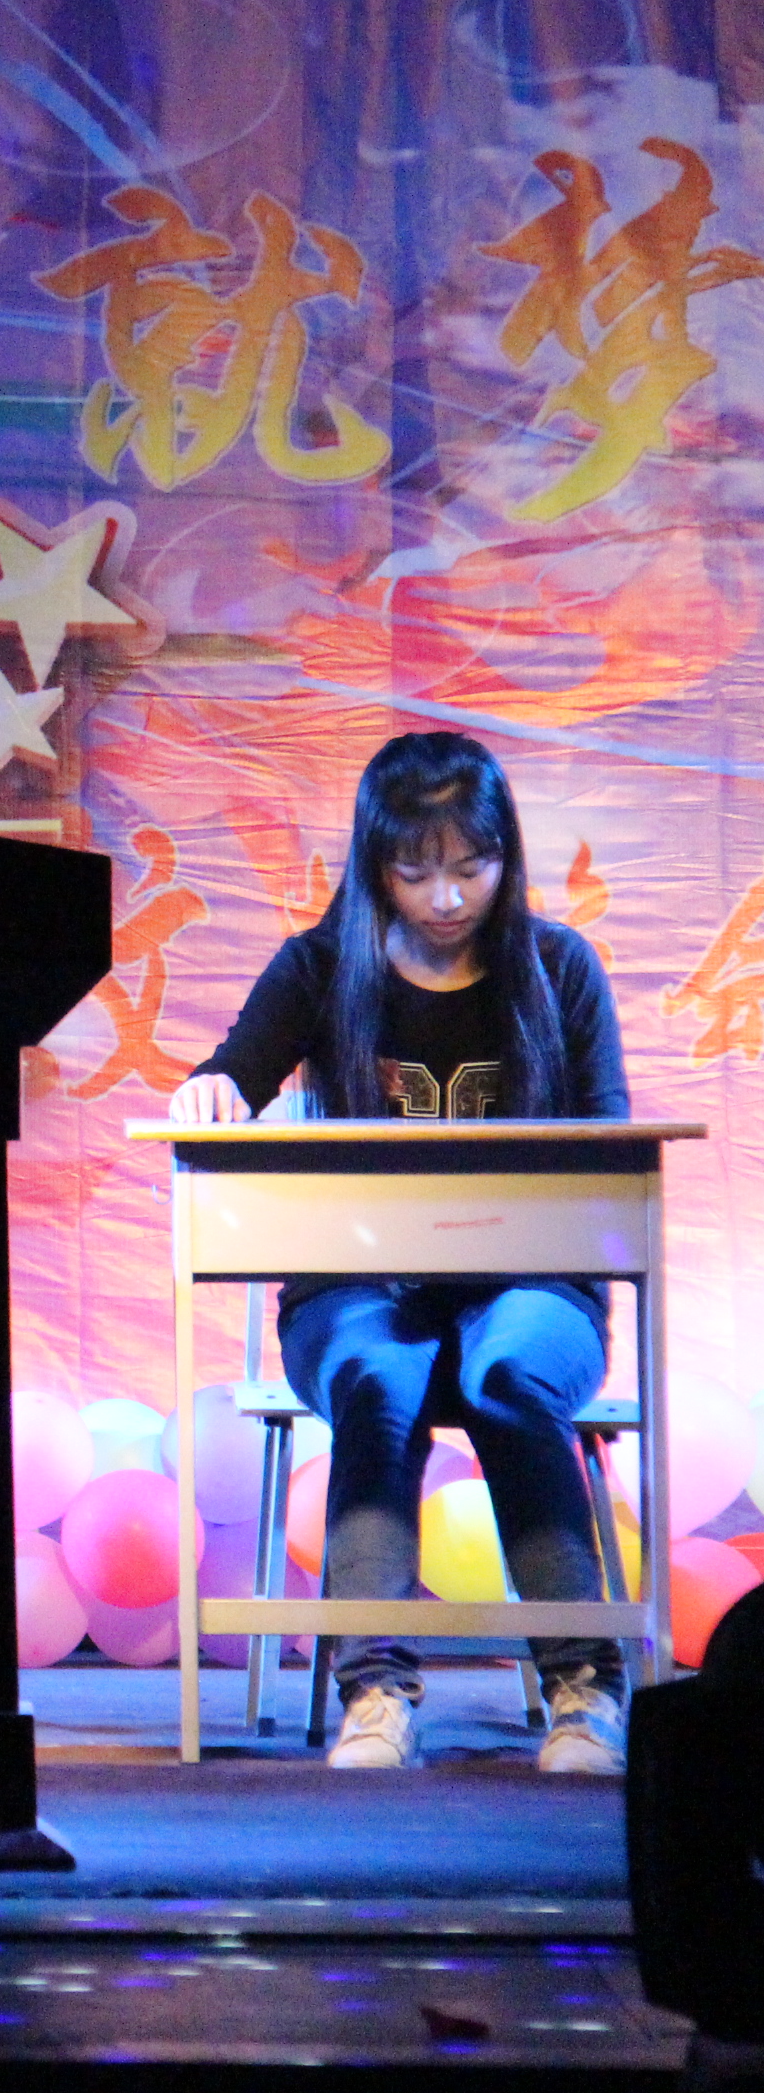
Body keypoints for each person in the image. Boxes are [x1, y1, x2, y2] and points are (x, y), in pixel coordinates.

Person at [171, 730, 630, 1774]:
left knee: (511, 1375)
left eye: (471, 866)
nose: (446, 897)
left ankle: (586, 1691)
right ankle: (375, 1694)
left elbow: (611, 1150)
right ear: (374, 862)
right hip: (358, 1287)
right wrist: (214, 1089)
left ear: (507, 857)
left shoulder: (559, 967)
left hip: (534, 1287)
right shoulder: (320, 967)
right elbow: (227, 1075)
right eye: (415, 871)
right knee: (379, 1380)